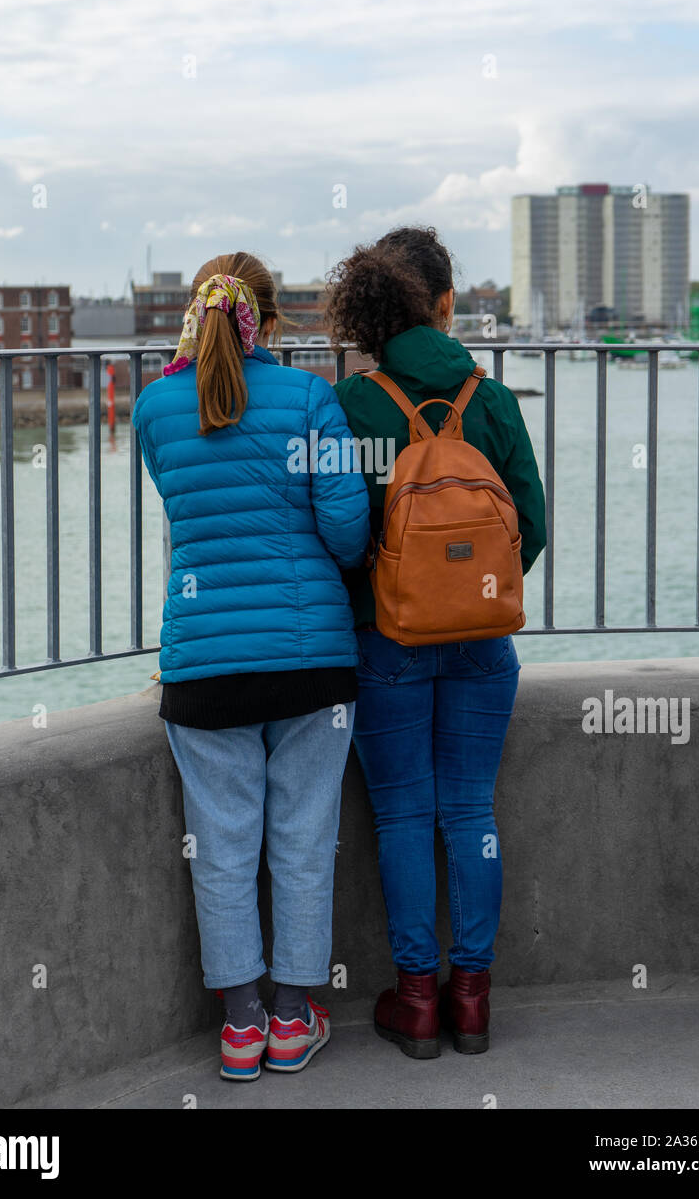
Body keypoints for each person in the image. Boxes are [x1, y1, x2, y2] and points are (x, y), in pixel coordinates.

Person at [132, 252, 370, 1081]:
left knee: (223, 847)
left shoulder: (155, 406)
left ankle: (240, 1025)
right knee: (304, 842)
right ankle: (296, 1016)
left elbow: (182, 501)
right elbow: (346, 534)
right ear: (270, 322)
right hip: (311, 665)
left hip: (202, 666)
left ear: (195, 319)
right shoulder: (315, 401)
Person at [330, 226, 547, 1058]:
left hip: (386, 641)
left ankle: (416, 1002)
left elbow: (340, 532)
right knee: (469, 811)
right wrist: (475, 595)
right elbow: (529, 524)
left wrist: (396, 594)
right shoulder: (490, 400)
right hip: (484, 645)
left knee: (402, 816)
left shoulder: (354, 405)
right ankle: (473, 1000)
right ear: (446, 305)